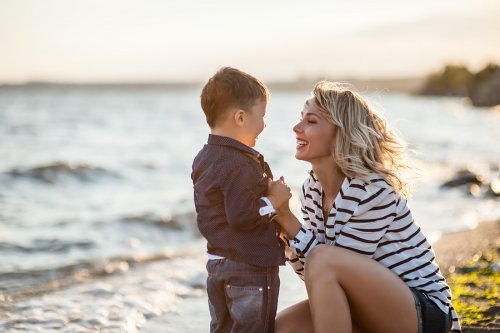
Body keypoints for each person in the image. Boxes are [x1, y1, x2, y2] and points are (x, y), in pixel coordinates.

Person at [271, 81, 461, 333]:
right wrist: (284, 236)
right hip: (369, 309)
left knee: (322, 258)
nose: (297, 128)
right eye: (300, 118)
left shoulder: (371, 189)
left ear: (341, 133)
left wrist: (289, 220)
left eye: (311, 121)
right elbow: (318, 278)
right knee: (280, 329)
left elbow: (330, 264)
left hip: (425, 313)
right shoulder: (311, 190)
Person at [191, 67, 291, 333]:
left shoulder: (204, 158)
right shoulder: (239, 163)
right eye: (262, 115)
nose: (264, 124)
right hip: (250, 268)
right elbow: (243, 216)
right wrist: (274, 200)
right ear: (240, 117)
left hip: (217, 266)